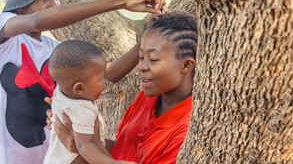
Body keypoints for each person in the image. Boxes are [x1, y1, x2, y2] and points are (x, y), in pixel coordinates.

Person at [0, 0, 165, 164]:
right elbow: (37, 20)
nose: (54, 4)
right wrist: (119, 1)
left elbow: (111, 73)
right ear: (19, 6)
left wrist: (144, 41)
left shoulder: (57, 51)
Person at [48, 11, 198, 164]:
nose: (141, 67)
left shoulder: (187, 131)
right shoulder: (147, 97)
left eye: (152, 59)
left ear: (186, 65)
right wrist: (79, 129)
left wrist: (79, 149)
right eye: (141, 57)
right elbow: (122, 149)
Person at [43, 40, 136, 164]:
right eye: (101, 79)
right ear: (79, 88)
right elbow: (84, 147)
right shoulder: (81, 110)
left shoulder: (61, 90)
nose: (104, 84)